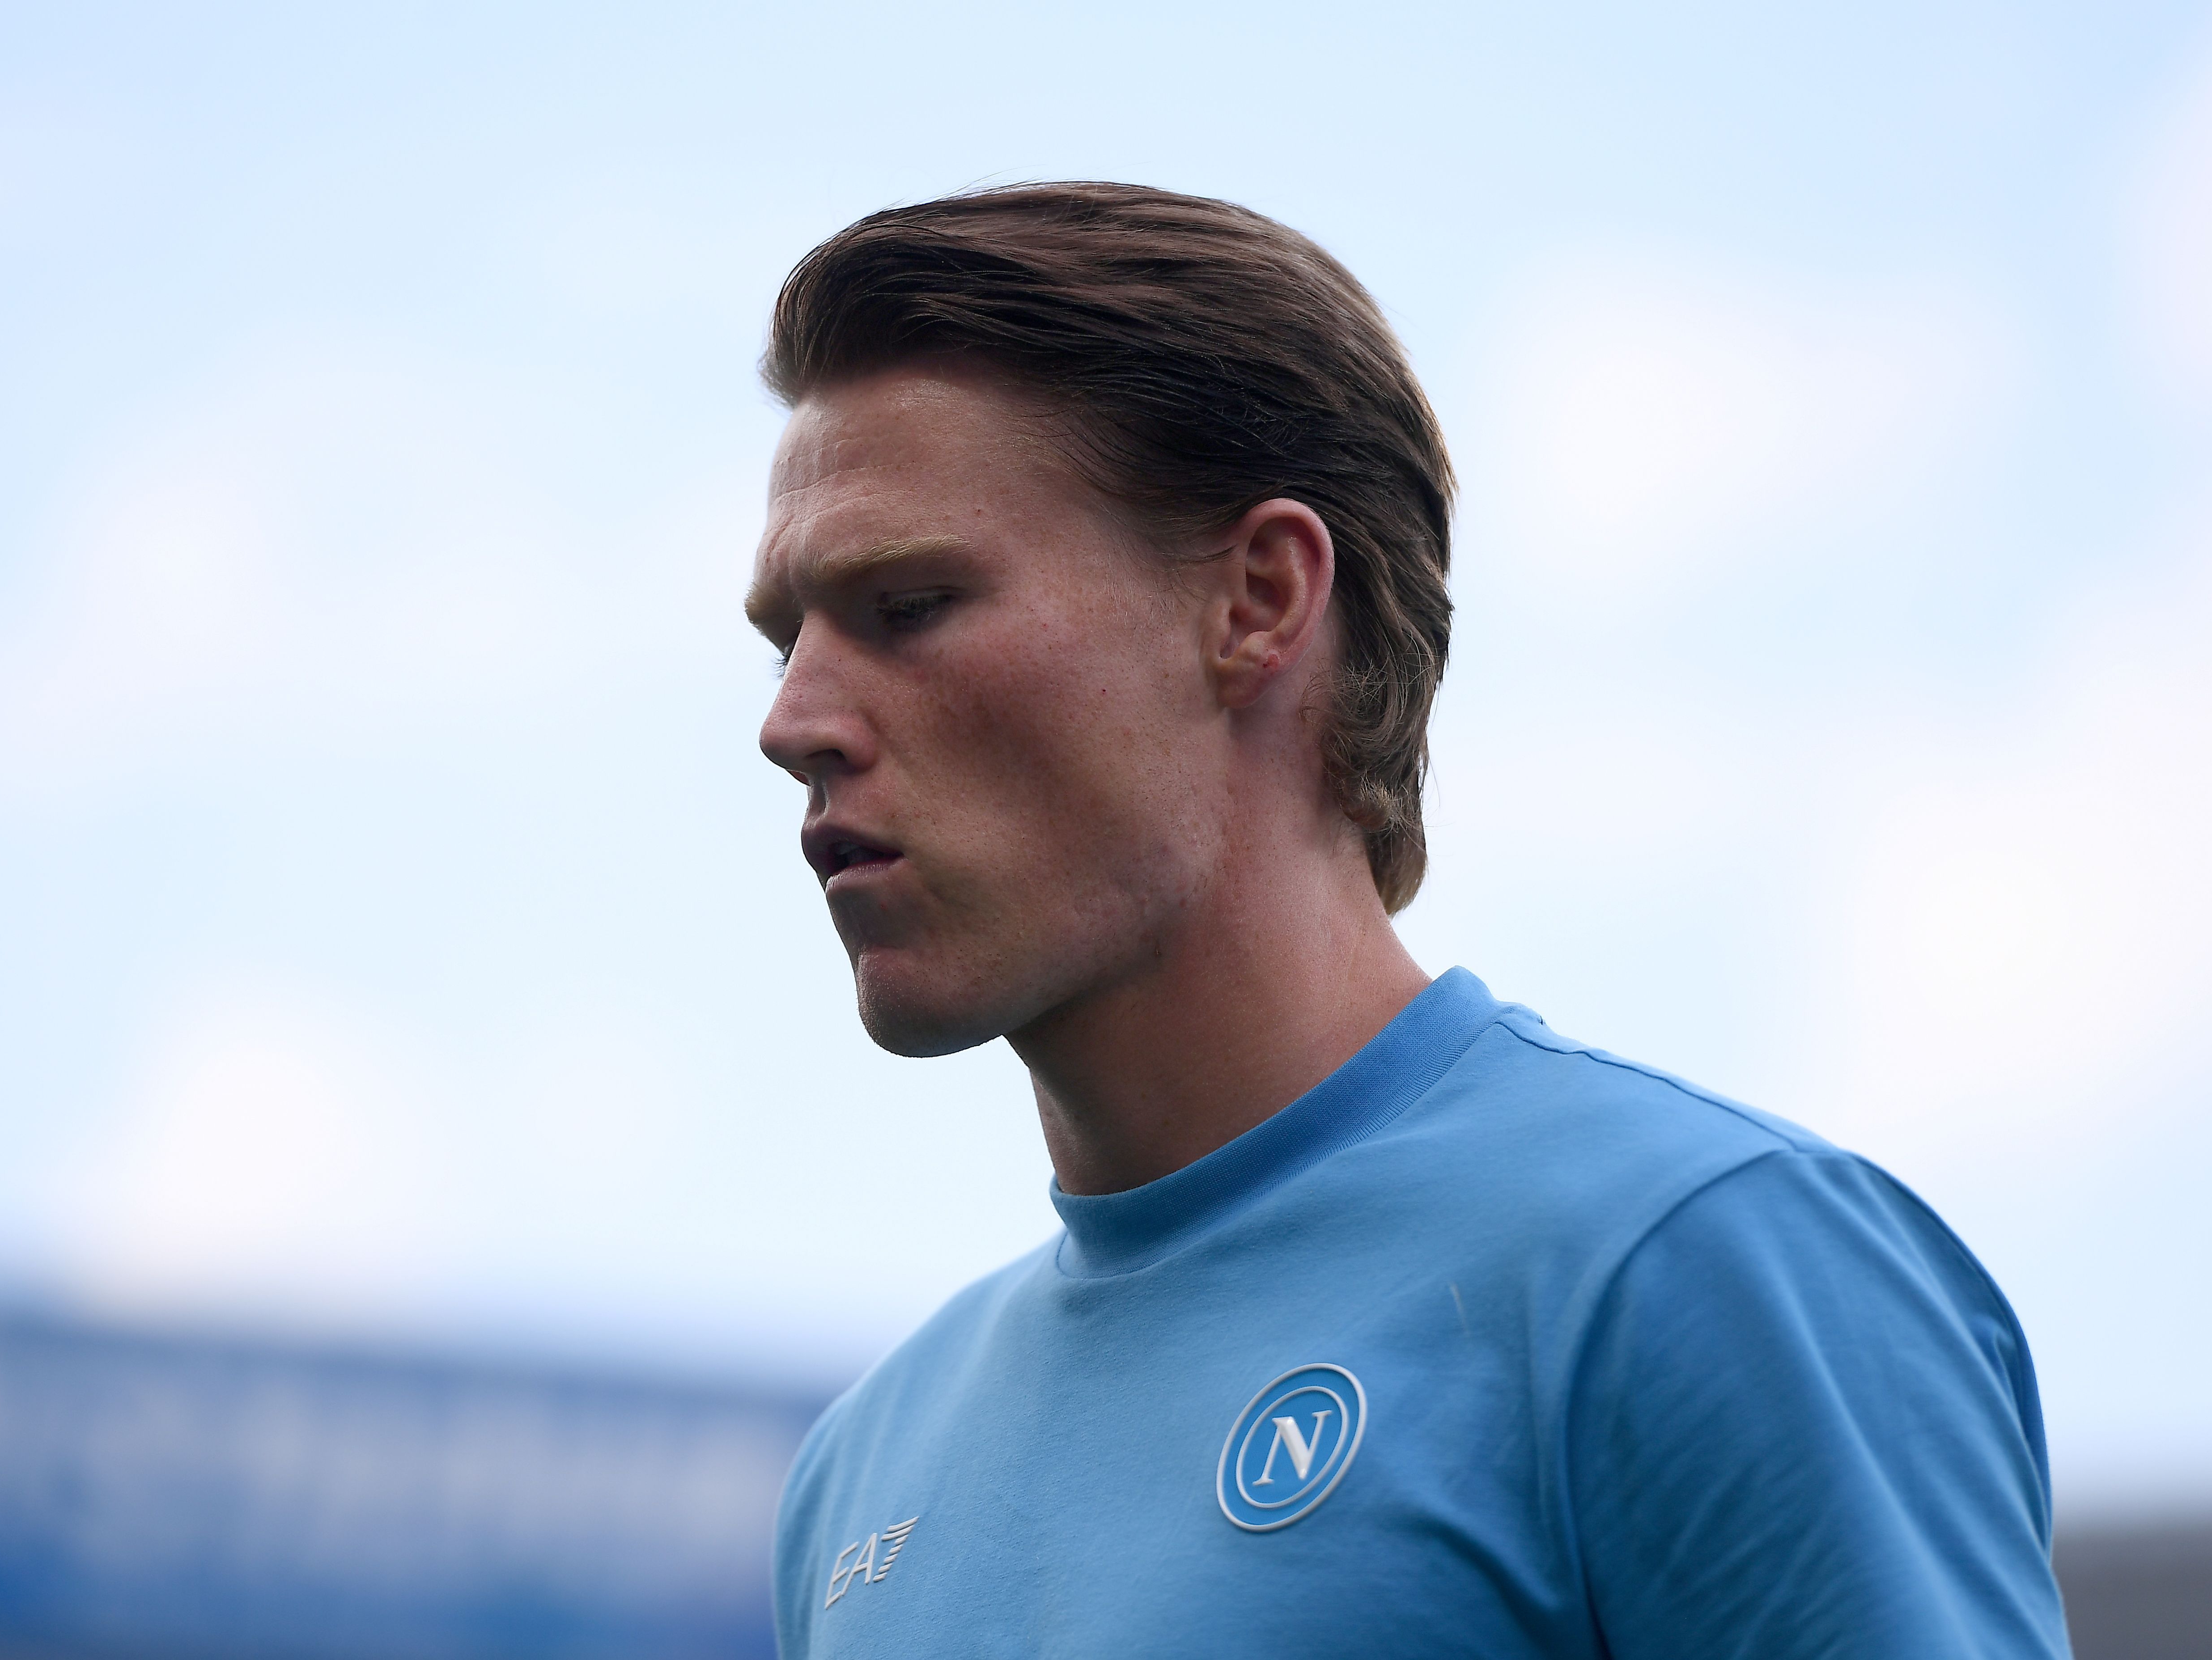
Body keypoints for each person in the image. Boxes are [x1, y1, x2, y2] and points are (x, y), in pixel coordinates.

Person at [743, 183, 2069, 1659]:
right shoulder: (858, 1482)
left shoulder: (1698, 1270)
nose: (791, 720)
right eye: (784, 638)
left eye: (909, 604)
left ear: (1259, 599)